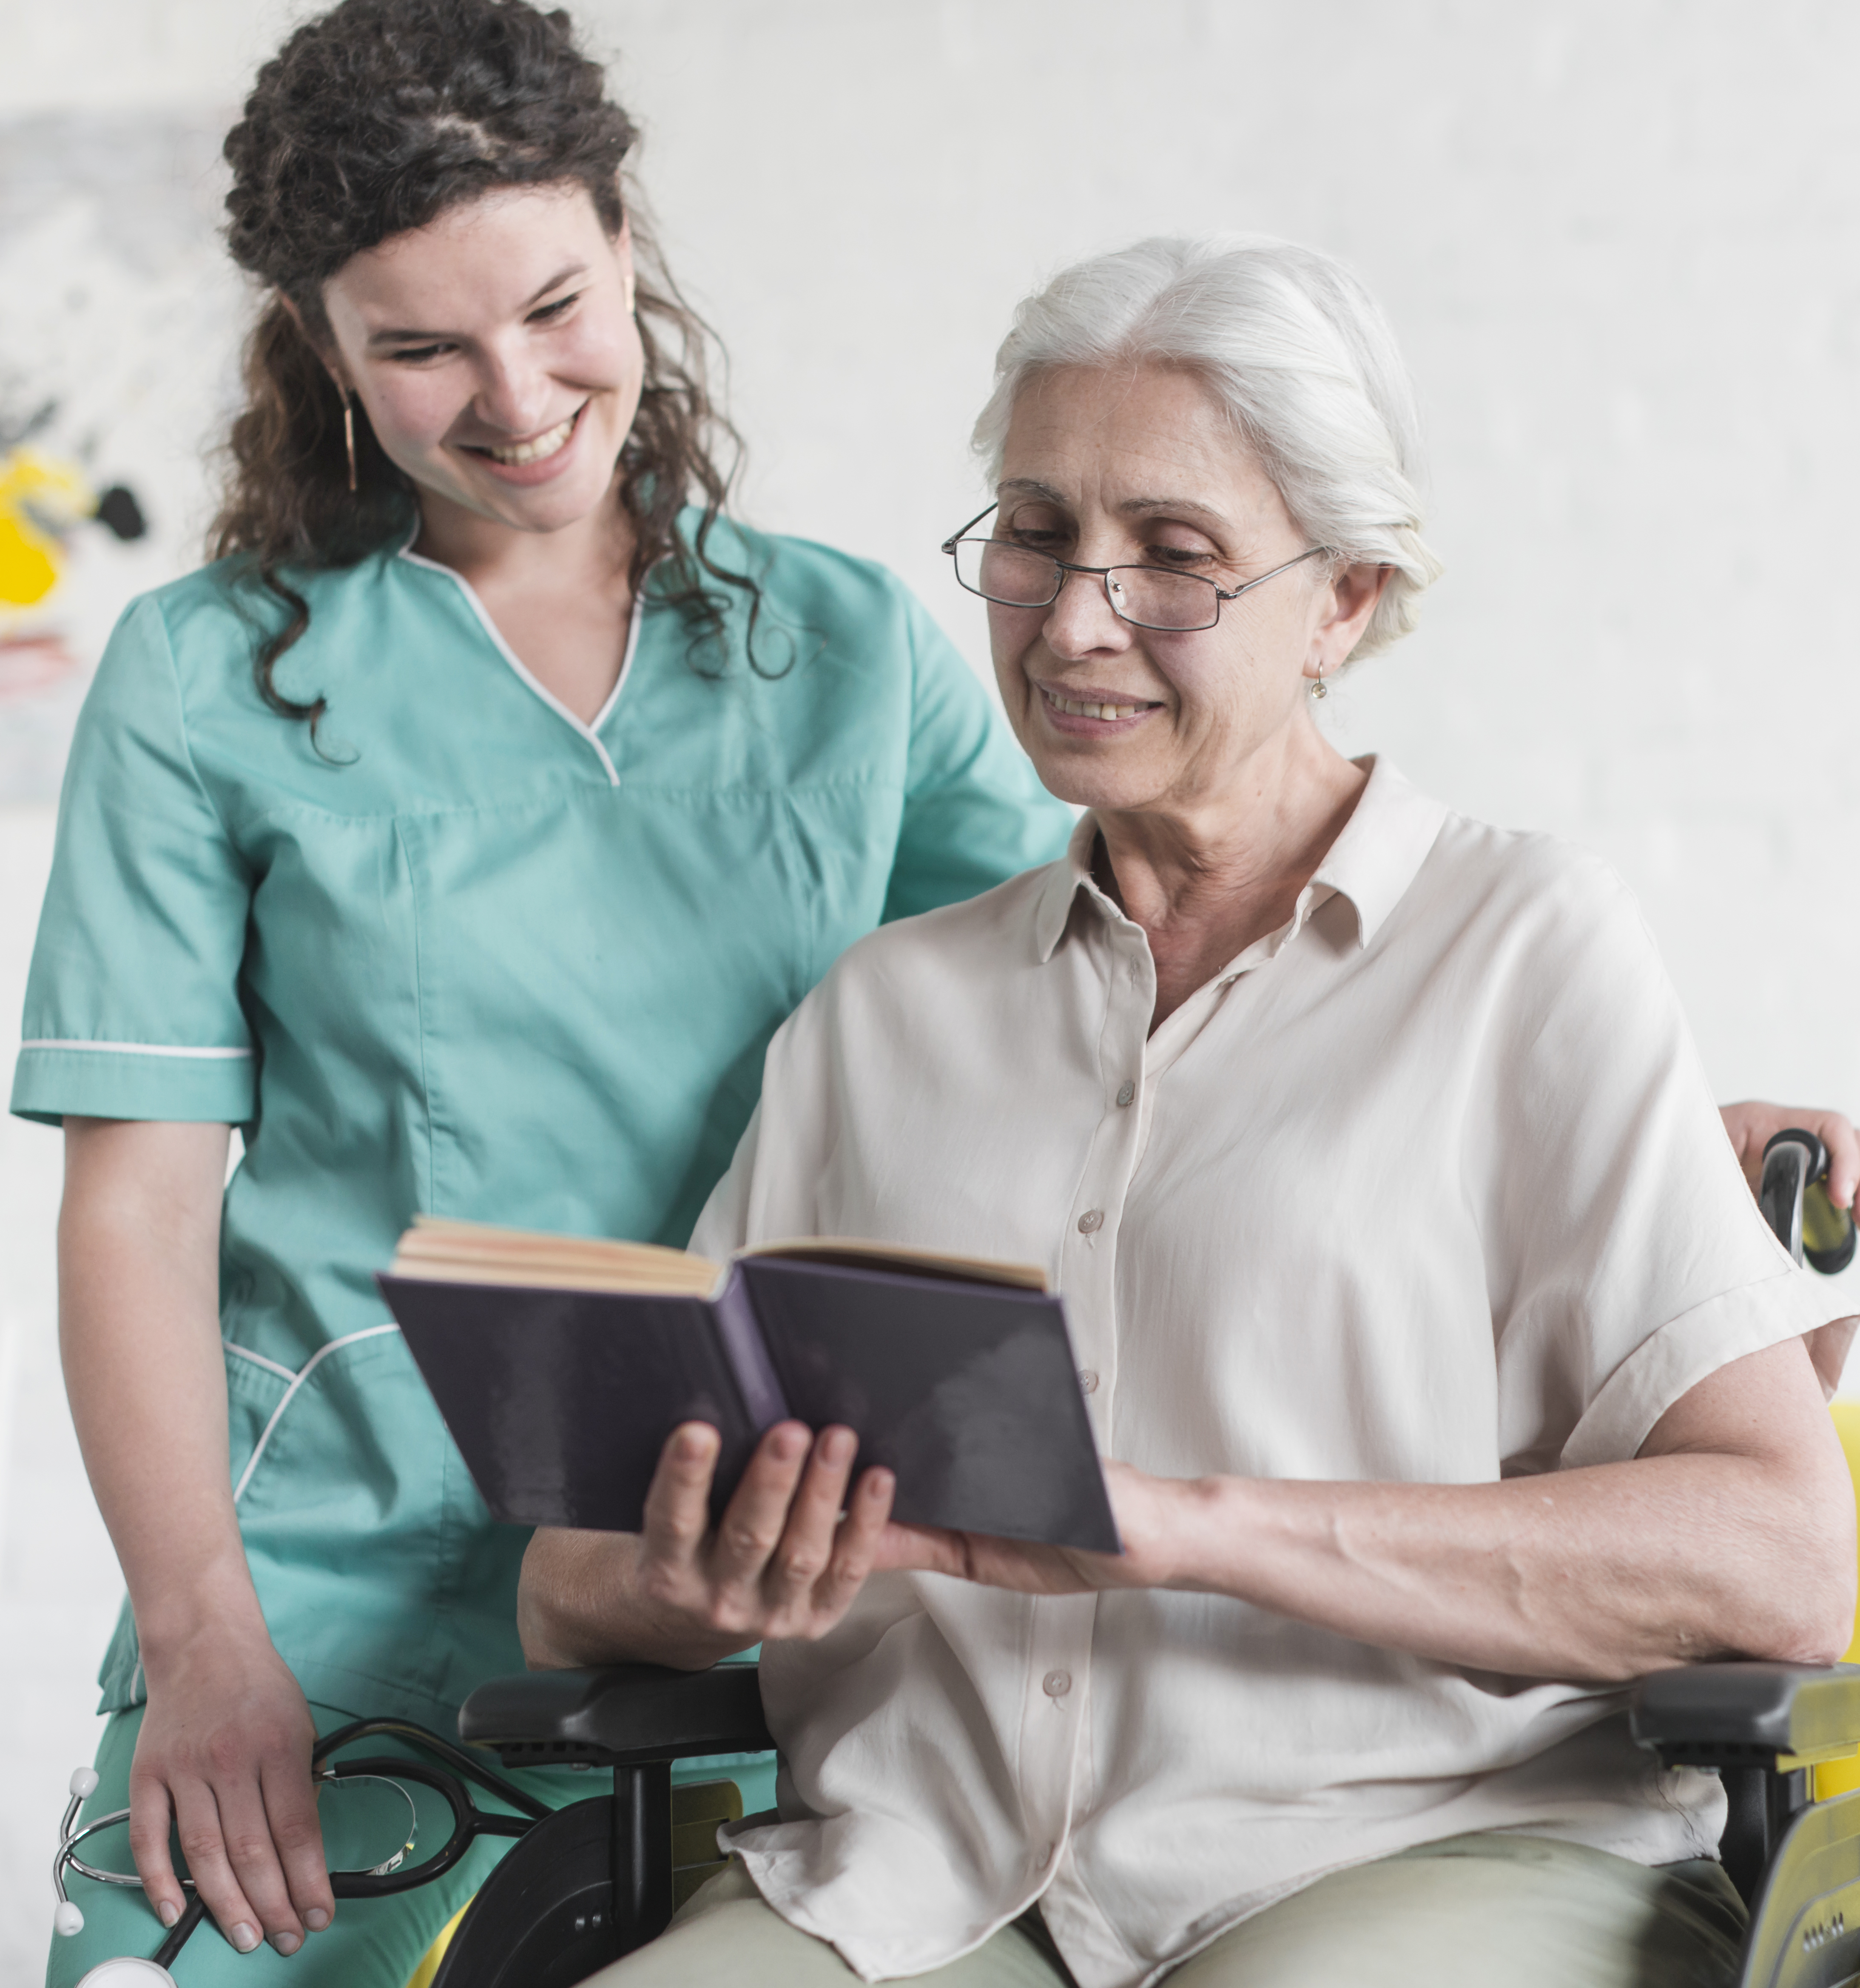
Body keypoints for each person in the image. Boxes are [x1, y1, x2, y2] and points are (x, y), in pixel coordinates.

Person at [520, 235, 1860, 1988]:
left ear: (1343, 598)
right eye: (1031, 533)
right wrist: (704, 1577)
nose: (1075, 618)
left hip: (1411, 1846)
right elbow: (563, 1580)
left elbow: (1776, 1563)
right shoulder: (882, 1013)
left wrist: (1182, 1521)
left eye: (1173, 557)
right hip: (921, 1883)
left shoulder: (1523, 948)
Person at [16, 3, 1069, 1979]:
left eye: (556, 307)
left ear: (623, 241)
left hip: (732, 1584)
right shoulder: (205, 677)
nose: (513, 396)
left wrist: (1570, 1123)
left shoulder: (840, 649)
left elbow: (1138, 994)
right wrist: (200, 1632)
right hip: (318, 1589)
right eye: (418, 347)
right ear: (319, 353)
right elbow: (136, 1202)